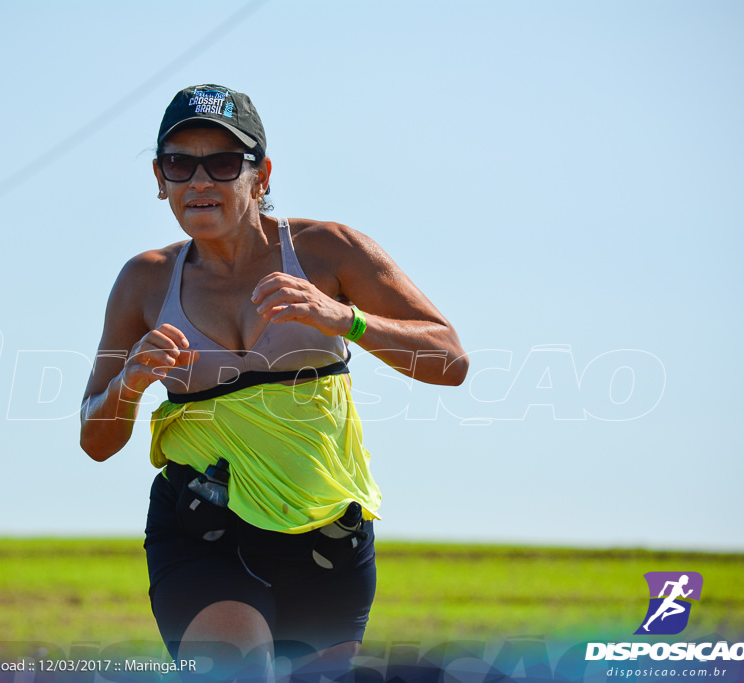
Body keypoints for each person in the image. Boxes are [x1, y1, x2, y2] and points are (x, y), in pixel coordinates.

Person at [80, 84, 468, 681]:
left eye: (224, 163)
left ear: (260, 176)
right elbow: (95, 439)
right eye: (180, 164)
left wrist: (348, 320)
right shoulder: (144, 282)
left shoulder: (328, 250)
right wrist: (130, 383)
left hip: (326, 527)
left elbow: (450, 361)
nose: (200, 181)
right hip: (202, 526)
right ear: (160, 179)